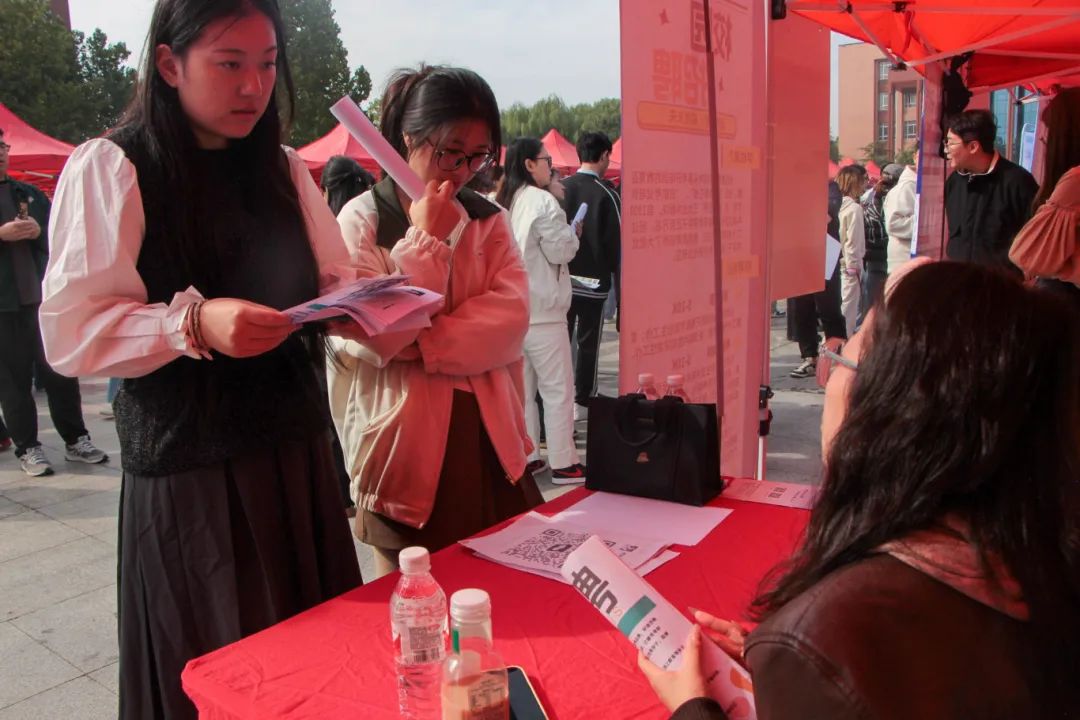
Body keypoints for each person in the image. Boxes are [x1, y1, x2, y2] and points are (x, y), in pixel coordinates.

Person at [39, 2, 364, 716]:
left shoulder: (282, 167)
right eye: (229, 64)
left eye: (268, 64)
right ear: (169, 64)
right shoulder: (117, 166)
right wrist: (190, 323)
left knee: (312, 669)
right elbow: (71, 333)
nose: (254, 86)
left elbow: (334, 276)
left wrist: (359, 305)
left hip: (296, 455)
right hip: (191, 474)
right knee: (221, 675)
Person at [640, 261, 1080, 719]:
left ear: (891, 408)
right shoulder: (1039, 556)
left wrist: (696, 708)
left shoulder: (825, 641)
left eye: (841, 361)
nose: (831, 382)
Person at [329, 65, 542, 578]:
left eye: (479, 155)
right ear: (409, 136)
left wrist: (421, 341)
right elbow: (375, 333)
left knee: (500, 596)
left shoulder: (489, 219)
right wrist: (424, 240)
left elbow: (510, 322)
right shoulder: (363, 219)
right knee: (411, 602)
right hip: (400, 448)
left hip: (491, 438)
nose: (463, 170)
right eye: (450, 151)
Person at [0, 126, 107, 476]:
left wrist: (38, 233)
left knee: (60, 372)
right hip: (4, 307)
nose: (1, 152)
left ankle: (76, 439)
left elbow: (63, 236)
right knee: (14, 381)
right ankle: (28, 448)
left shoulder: (28, 193)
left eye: (2, 146)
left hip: (44, 301)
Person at [499, 137, 586, 485]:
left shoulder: (505, 201)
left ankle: (529, 455)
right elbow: (560, 251)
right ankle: (564, 461)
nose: (551, 167)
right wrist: (573, 233)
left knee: (523, 393)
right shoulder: (542, 201)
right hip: (544, 311)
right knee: (557, 391)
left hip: (514, 312)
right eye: (546, 160)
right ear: (529, 164)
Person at [562, 131, 621, 420]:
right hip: (594, 284)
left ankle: (558, 400)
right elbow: (616, 245)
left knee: (559, 343)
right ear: (605, 155)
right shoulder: (607, 194)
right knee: (588, 344)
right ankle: (583, 401)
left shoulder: (559, 189)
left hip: (561, 280)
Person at [1009, 87, 1080, 306]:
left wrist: (1060, 270)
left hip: (1067, 305)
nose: (1043, 138)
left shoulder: (1075, 180)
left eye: (1048, 130)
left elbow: (1026, 256)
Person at [944, 109, 1039, 269]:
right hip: (960, 277)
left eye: (951, 143)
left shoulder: (1018, 182)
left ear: (973, 146)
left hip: (1002, 280)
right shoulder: (954, 181)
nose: (946, 149)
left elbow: (1034, 238)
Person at [788, 179, 847, 378]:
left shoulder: (829, 187)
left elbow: (826, 216)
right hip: (798, 254)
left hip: (824, 255)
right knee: (801, 309)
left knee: (828, 309)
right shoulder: (791, 187)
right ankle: (809, 357)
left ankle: (837, 357)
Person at [857, 162, 901, 326]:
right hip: (883, 256)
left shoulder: (869, 199)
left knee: (874, 301)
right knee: (881, 301)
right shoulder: (885, 199)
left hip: (875, 256)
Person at [836, 165, 867, 338]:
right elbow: (853, 241)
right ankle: (841, 344)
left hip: (835, 263)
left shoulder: (834, 205)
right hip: (849, 265)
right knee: (848, 310)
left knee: (839, 307)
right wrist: (854, 265)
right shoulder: (854, 209)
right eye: (863, 180)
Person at [884, 144, 918, 274]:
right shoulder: (906, 187)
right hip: (904, 264)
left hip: (919, 264)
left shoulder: (923, 184)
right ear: (915, 157)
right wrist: (927, 221)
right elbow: (893, 224)